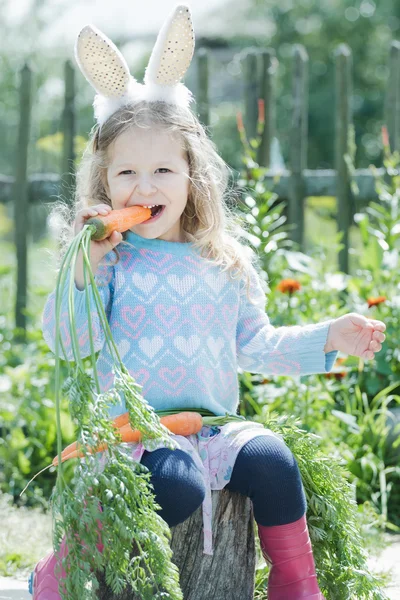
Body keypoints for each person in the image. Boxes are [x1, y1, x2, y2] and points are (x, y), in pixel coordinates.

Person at [29, 5, 386, 600]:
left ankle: (297, 587)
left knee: (273, 461)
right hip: (132, 437)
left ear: (192, 176)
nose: (144, 187)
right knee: (177, 487)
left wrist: (329, 336)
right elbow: (68, 341)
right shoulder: (107, 262)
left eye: (163, 169)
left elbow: (256, 346)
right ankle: (65, 566)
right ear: (104, 184)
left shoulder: (224, 263)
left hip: (213, 427)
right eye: (127, 173)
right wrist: (86, 268)